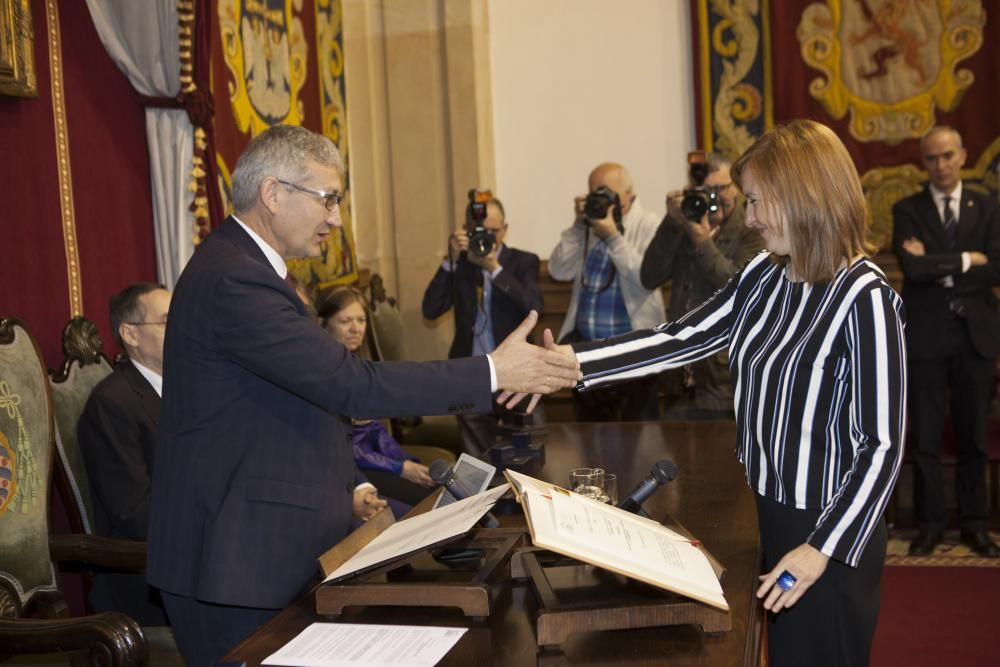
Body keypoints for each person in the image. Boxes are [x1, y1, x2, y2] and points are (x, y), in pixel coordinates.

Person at [145, 124, 579, 664]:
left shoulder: (248, 270)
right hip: (234, 562)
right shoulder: (237, 280)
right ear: (273, 193)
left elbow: (295, 405)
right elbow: (353, 385)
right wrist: (492, 372)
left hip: (267, 548)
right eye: (327, 199)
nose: (335, 218)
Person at [547, 120, 905, 665]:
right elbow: (680, 339)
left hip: (828, 530)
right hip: (773, 508)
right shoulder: (765, 274)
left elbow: (881, 446)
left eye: (759, 202)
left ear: (805, 197)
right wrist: (567, 364)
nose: (751, 218)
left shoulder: (866, 299)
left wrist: (820, 548)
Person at [892, 125, 1000, 558]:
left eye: (947, 156)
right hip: (927, 338)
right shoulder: (908, 209)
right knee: (927, 440)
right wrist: (967, 259)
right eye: (932, 158)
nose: (940, 165)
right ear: (925, 162)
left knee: (973, 435)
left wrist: (937, 263)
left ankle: (976, 525)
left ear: (962, 155)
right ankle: (930, 525)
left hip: (976, 336)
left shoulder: (988, 206)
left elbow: (997, 268)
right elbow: (912, 271)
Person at [640, 153, 763, 420]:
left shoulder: (752, 230)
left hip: (725, 382)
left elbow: (739, 287)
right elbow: (649, 276)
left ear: (737, 188)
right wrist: (672, 223)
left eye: (721, 188)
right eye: (706, 190)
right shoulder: (685, 224)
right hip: (680, 376)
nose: (715, 197)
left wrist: (702, 242)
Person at [77, 282, 171, 625]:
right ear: (130, 334)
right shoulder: (113, 402)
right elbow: (135, 513)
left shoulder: (187, 388)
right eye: (166, 321)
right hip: (147, 576)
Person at [422, 195, 543, 455]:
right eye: (480, 230)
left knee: (527, 451)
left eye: (494, 231)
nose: (487, 236)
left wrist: (494, 268)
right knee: (477, 457)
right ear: (466, 230)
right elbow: (430, 310)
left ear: (506, 230)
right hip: (473, 371)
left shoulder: (523, 261)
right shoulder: (461, 264)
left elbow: (534, 306)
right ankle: (484, 497)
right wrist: (449, 261)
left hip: (518, 371)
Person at [548, 162, 666, 421]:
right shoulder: (588, 226)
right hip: (587, 354)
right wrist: (578, 227)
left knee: (639, 440)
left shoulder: (649, 224)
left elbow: (646, 277)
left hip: (634, 354)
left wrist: (613, 237)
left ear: (628, 195)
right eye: (594, 193)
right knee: (590, 438)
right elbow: (558, 270)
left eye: (606, 192)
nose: (601, 199)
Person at [318, 286, 434, 508]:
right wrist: (399, 468)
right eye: (345, 321)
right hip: (345, 469)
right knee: (421, 504)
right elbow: (347, 445)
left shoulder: (359, 365)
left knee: (434, 489)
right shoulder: (323, 372)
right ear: (323, 324)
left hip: (370, 461)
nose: (356, 329)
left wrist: (405, 462)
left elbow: (374, 430)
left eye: (361, 320)